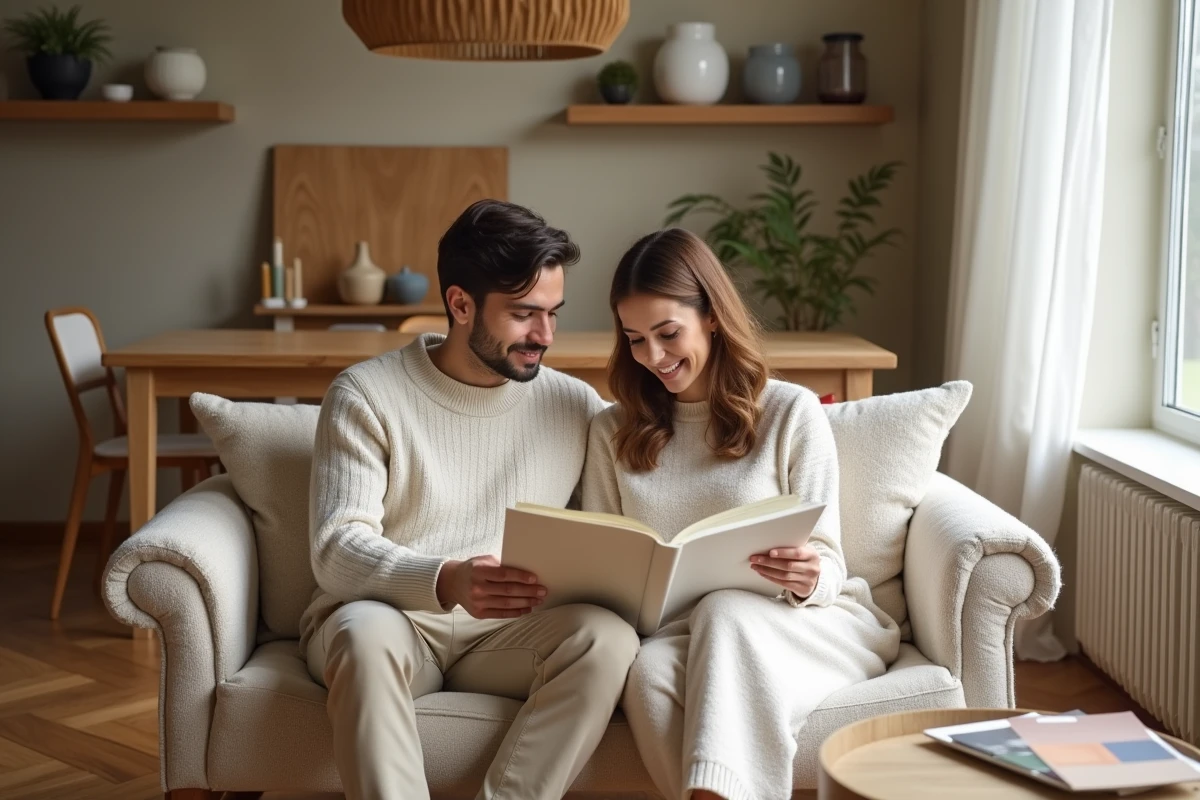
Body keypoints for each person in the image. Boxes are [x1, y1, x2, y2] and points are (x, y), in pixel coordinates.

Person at [299, 199, 640, 800]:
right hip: (394, 620)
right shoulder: (366, 394)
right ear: (460, 304)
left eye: (554, 314)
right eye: (525, 315)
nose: (545, 336)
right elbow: (335, 549)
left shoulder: (575, 405)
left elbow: (605, 535)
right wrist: (447, 579)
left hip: (509, 636)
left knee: (608, 637)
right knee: (362, 635)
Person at [582, 227, 901, 800]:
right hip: (677, 637)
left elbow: (828, 561)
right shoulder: (613, 431)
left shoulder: (790, 413)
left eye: (667, 333)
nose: (653, 357)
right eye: (634, 339)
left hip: (808, 622)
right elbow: (605, 565)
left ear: (710, 315)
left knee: (725, 608)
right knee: (650, 673)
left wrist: (808, 575)